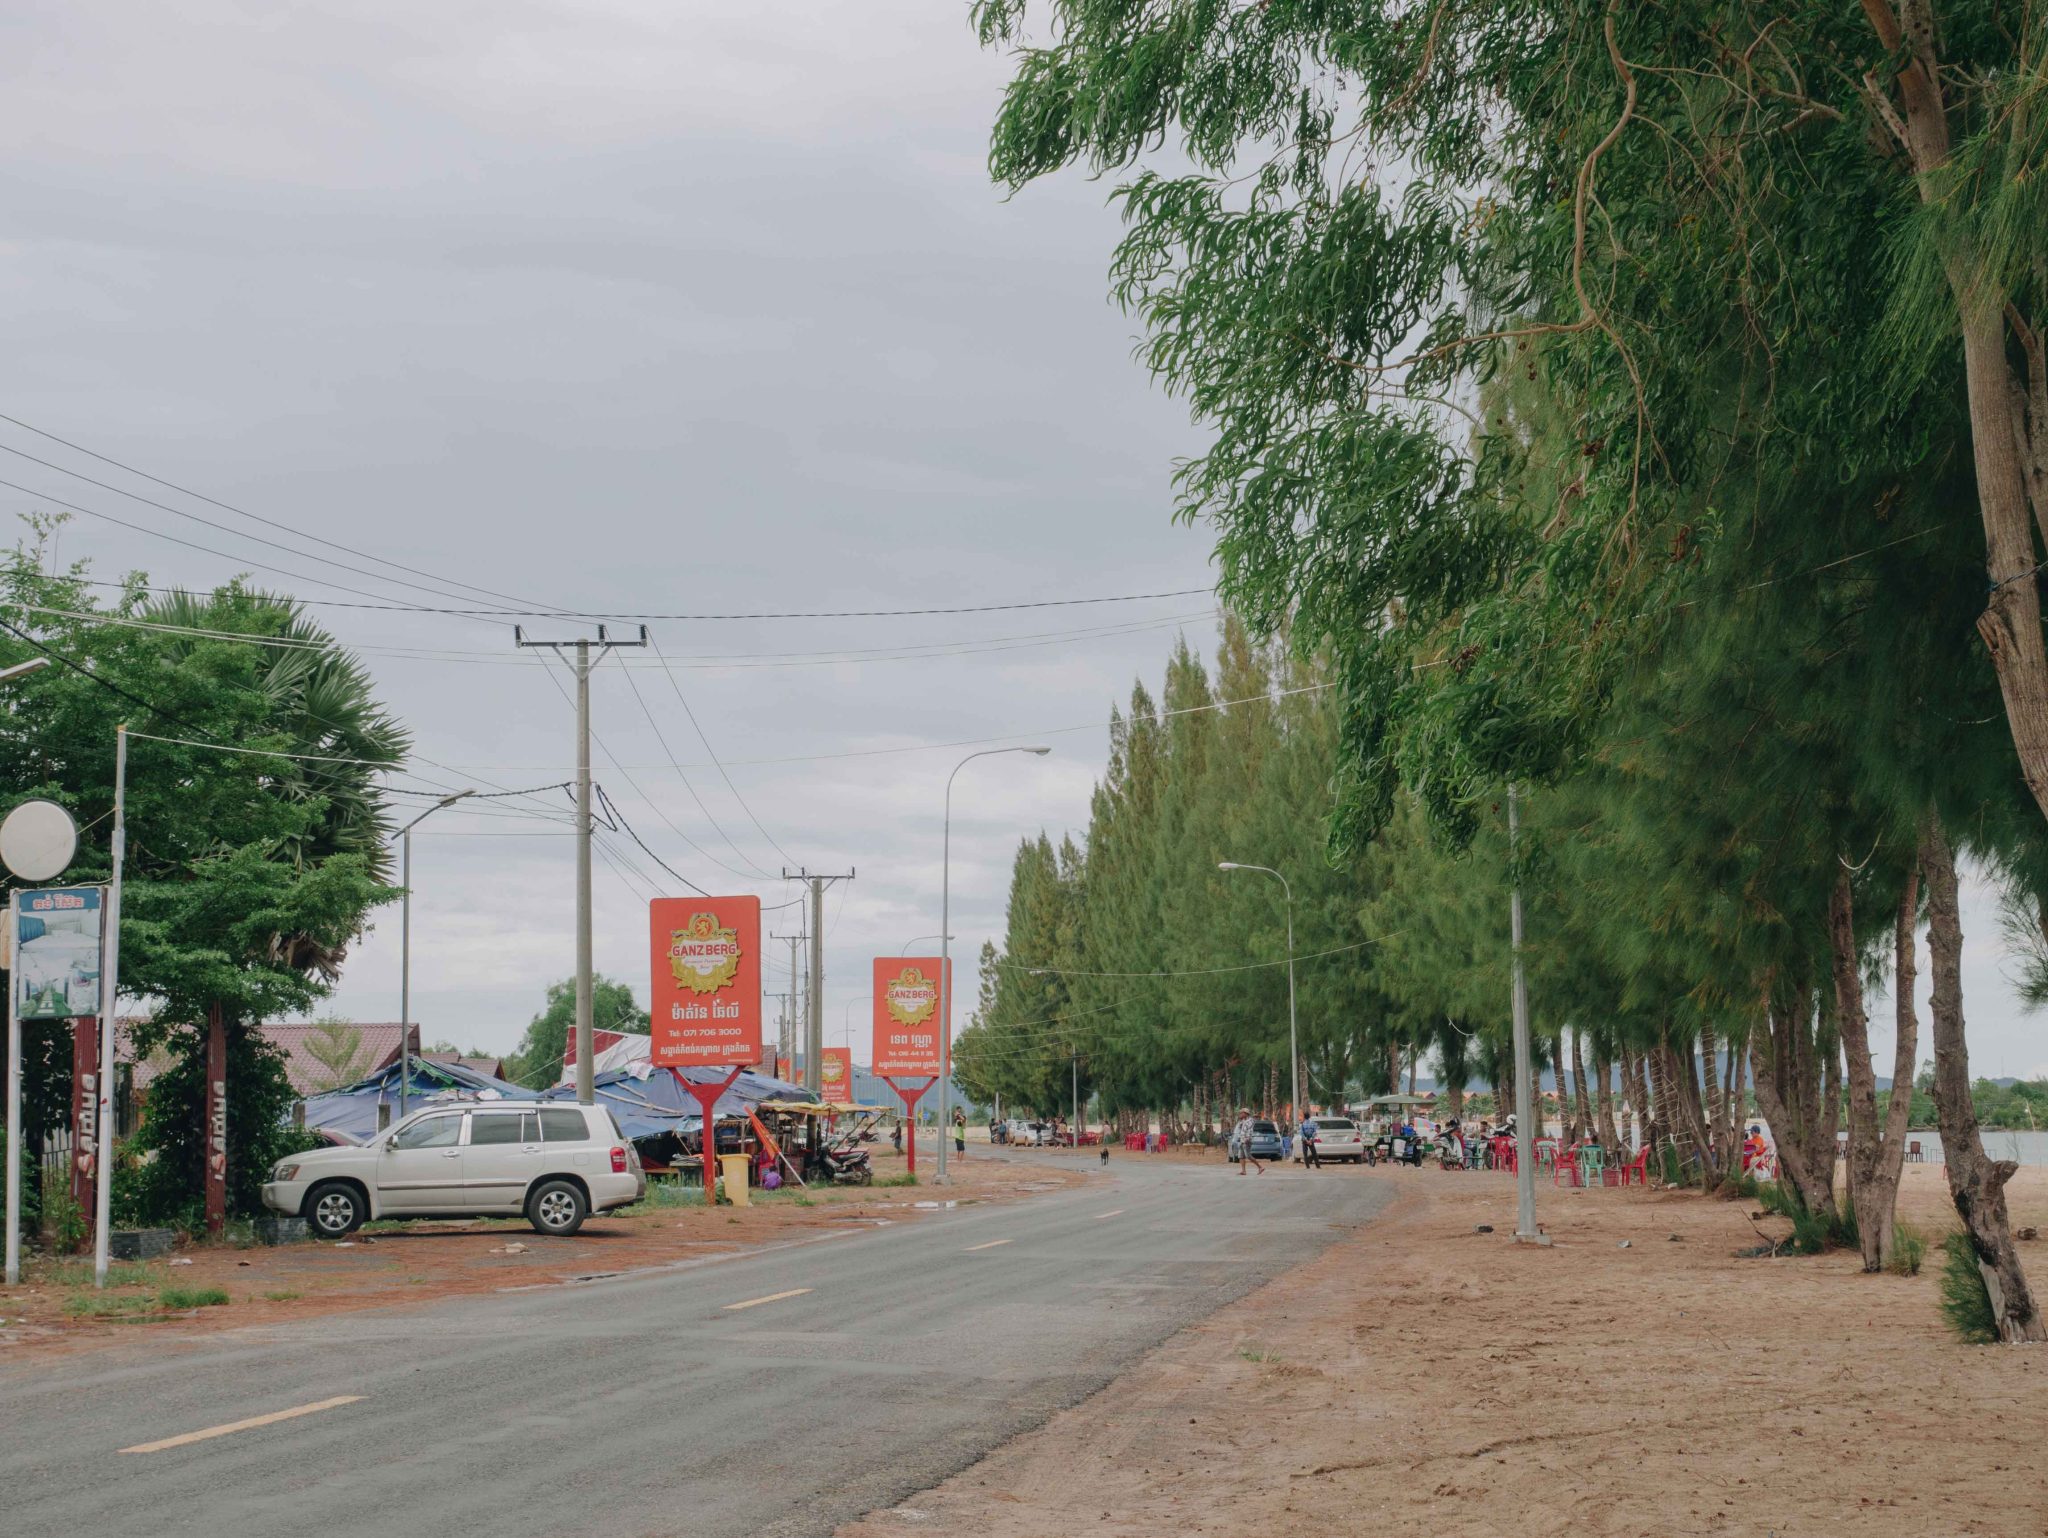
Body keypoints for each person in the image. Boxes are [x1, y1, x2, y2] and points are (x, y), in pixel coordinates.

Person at [1233, 1108, 1265, 1175]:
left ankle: (1260, 1167)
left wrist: (1247, 1138)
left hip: (1246, 1140)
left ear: (1245, 1113)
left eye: (1241, 1113)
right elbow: (1240, 1129)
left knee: (1248, 1156)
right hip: (1242, 1140)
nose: (1240, 1114)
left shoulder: (1250, 1121)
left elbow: (1250, 1130)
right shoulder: (1243, 1121)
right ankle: (1243, 1171)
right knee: (1241, 1156)